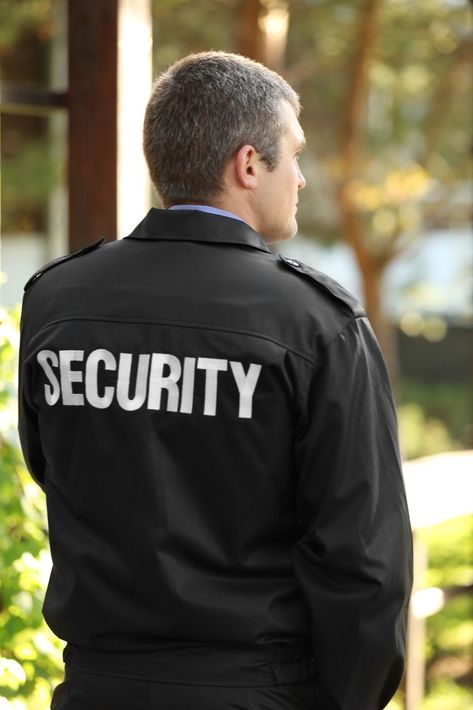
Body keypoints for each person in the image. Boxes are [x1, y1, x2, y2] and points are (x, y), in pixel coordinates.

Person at [18, 51, 413, 710]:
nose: (303, 179)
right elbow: (363, 560)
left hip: (94, 691)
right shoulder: (316, 322)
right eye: (293, 156)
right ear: (248, 164)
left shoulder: (57, 300)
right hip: (257, 691)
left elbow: (53, 470)